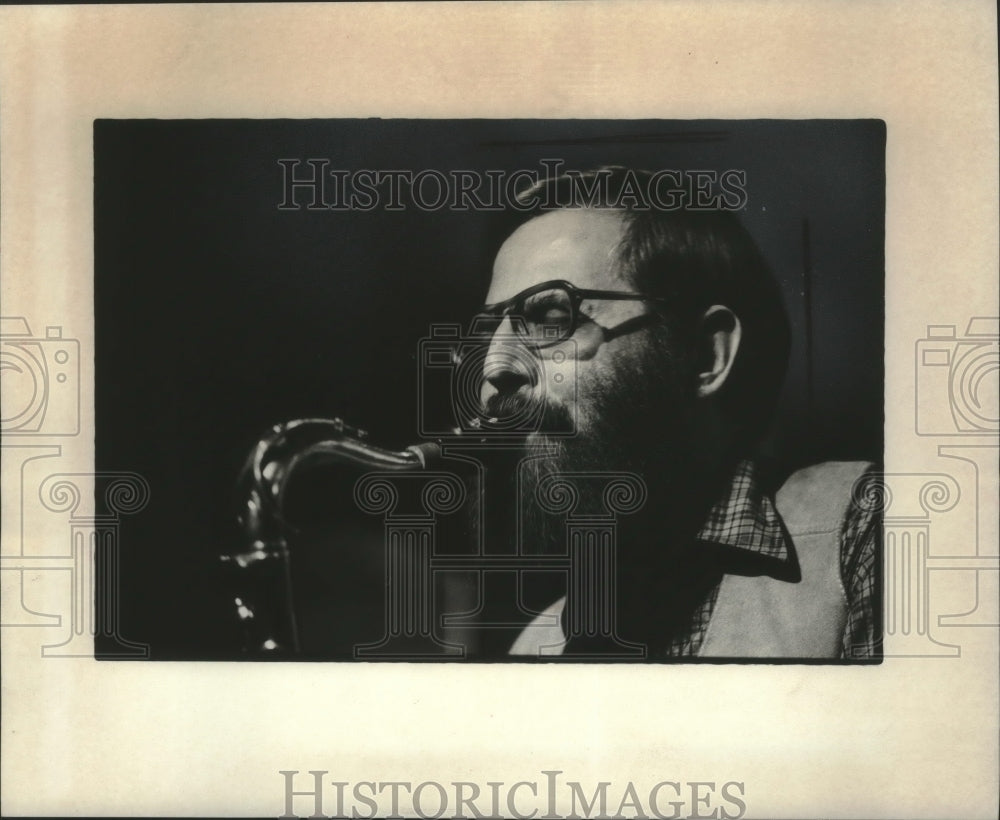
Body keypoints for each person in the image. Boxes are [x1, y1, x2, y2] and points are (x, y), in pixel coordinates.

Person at [472, 168, 881, 660]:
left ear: (705, 356)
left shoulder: (867, 527)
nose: (494, 370)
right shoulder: (535, 643)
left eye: (552, 319)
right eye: (487, 335)